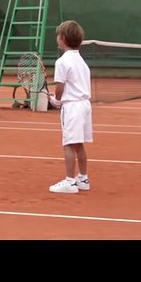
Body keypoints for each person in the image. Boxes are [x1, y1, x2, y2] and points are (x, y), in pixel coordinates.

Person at [48, 20, 92, 194]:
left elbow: (60, 87)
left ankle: (70, 182)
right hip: (85, 106)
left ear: (63, 39)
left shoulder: (62, 62)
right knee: (78, 144)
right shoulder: (82, 62)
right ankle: (83, 178)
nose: (57, 38)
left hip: (72, 107)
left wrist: (56, 101)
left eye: (58, 36)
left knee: (68, 143)